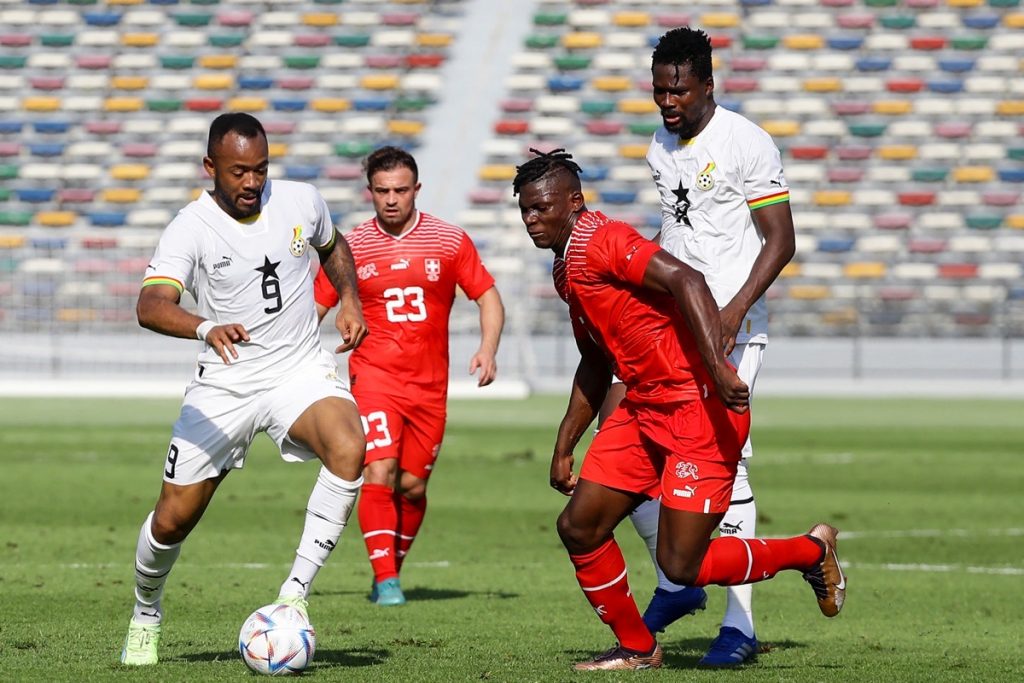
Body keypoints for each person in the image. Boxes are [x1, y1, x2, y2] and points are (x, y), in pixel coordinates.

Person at [513, 148, 843, 672]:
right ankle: (638, 648)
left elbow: (687, 279)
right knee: (579, 527)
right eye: (525, 209)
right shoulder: (565, 268)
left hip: (698, 406)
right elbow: (595, 360)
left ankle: (809, 551)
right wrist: (563, 444)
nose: (532, 218)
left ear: (574, 203)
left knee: (680, 564)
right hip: (644, 407)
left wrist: (716, 363)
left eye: (542, 207)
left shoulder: (604, 240)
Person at [120, 113, 369, 666]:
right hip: (226, 383)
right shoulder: (192, 225)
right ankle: (146, 611)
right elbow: (151, 305)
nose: (252, 183)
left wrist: (350, 298)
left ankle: (294, 596)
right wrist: (205, 326)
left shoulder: (302, 200)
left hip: (298, 371)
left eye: (260, 169)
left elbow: (334, 246)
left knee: (351, 447)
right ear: (211, 167)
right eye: (238, 172)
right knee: (172, 520)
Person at [598, 26, 799, 667]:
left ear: (708, 84)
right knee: (622, 441)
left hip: (733, 333)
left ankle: (738, 626)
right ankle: (676, 584)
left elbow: (780, 240)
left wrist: (733, 312)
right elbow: (677, 232)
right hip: (673, 329)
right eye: (659, 91)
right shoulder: (660, 145)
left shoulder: (745, 141)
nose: (667, 103)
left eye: (679, 90)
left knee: (727, 466)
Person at [313, 146, 504, 606]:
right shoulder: (351, 247)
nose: (392, 199)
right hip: (374, 377)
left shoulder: (449, 241)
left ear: (416, 189)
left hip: (429, 386)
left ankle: (389, 572)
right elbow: (312, 310)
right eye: (382, 191)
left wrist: (487, 349)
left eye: (400, 190)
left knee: (413, 485)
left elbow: (488, 296)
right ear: (370, 192)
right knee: (379, 468)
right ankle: (387, 580)